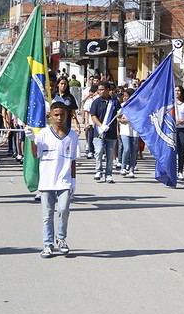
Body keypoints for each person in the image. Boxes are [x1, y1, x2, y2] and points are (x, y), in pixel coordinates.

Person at [27, 101, 79, 258]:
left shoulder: (72, 135)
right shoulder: (43, 133)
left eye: (62, 114)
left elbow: (73, 160)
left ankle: (61, 239)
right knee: (47, 214)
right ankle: (47, 244)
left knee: (63, 210)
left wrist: (74, 180)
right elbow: (36, 154)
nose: (59, 118)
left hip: (64, 180)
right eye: (56, 114)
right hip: (47, 180)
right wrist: (31, 140)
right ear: (50, 115)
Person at [89, 81, 119, 183]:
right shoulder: (96, 102)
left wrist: (120, 113)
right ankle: (98, 170)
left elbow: (119, 114)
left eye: (102, 89)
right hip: (99, 132)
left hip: (111, 133)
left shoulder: (114, 102)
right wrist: (100, 125)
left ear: (108, 90)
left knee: (110, 155)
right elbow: (93, 115)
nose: (100, 91)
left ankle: (109, 174)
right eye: (99, 89)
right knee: (99, 151)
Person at [117, 88, 139, 178]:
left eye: (127, 96)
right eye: (124, 96)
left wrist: (127, 120)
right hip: (124, 130)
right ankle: (123, 166)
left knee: (134, 151)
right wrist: (120, 119)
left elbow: (137, 117)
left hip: (134, 131)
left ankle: (132, 168)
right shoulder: (122, 105)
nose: (125, 98)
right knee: (126, 148)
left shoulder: (137, 106)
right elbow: (117, 117)